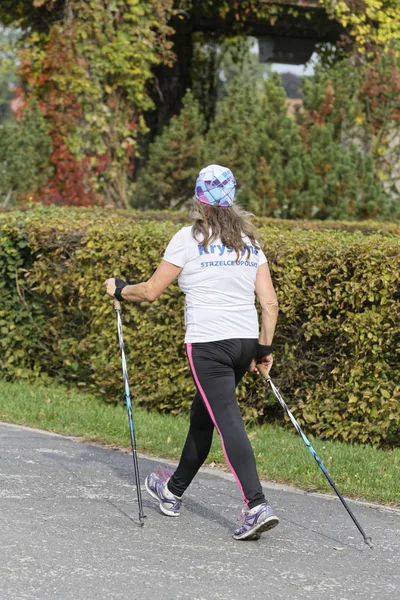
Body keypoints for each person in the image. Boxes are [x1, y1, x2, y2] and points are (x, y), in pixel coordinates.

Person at [105, 164, 279, 541]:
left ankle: (257, 504)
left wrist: (119, 289)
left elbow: (151, 291)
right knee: (204, 416)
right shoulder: (250, 242)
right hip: (244, 341)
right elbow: (269, 303)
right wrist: (263, 349)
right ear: (231, 199)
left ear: (199, 198)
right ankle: (172, 491)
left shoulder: (188, 238)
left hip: (208, 345)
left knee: (226, 417)